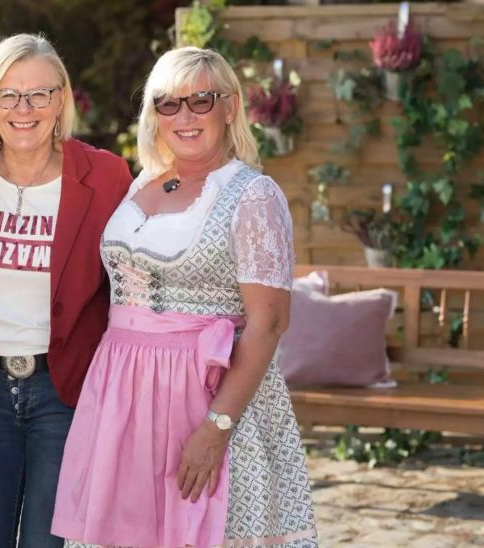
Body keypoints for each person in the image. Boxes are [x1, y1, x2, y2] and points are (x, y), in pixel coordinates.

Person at [52, 47, 318, 547]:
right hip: (123, 397)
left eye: (201, 100)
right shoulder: (143, 183)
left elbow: (269, 325)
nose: (185, 116)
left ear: (230, 108)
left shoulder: (252, 196)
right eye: (168, 103)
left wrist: (217, 426)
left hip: (205, 397)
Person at [0, 34, 132, 548]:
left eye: (39, 94)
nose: (23, 109)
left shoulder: (104, 175)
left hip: (64, 392)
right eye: (8, 95)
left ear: (62, 100)